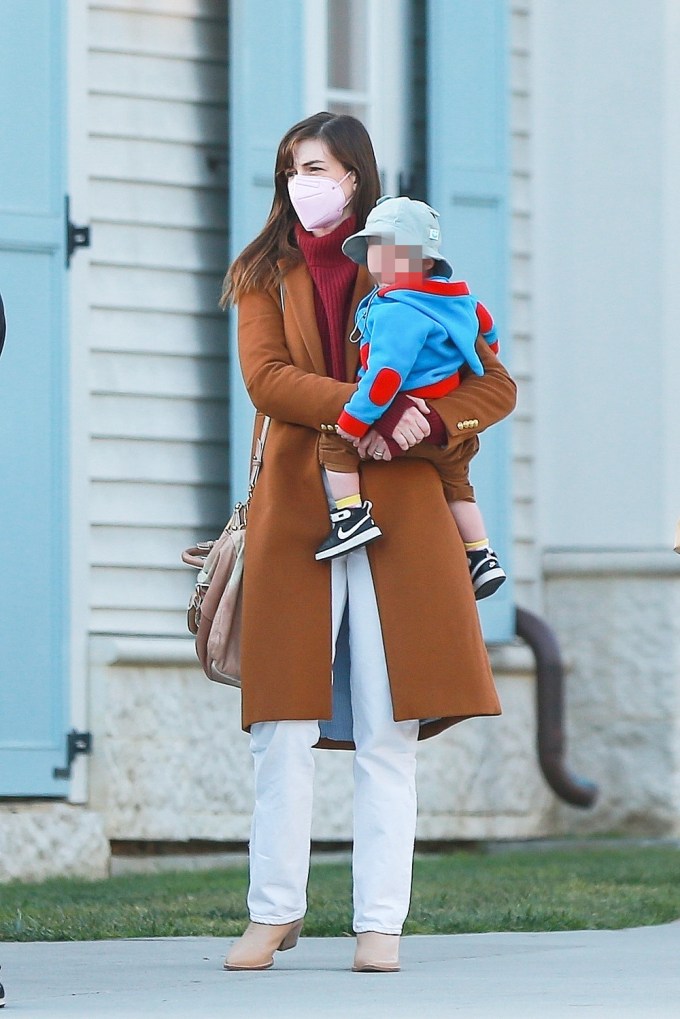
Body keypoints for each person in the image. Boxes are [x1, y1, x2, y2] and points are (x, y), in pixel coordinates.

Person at [220, 111, 516, 973]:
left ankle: (379, 921)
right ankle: (271, 913)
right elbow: (266, 380)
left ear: (356, 175)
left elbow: (490, 383)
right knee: (280, 724)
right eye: (288, 169)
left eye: (314, 166)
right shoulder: (259, 273)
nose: (298, 183)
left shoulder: (409, 263)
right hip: (294, 513)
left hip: (407, 519)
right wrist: (375, 405)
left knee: (390, 726)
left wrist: (430, 420)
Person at [313, 195, 507, 601]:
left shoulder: (396, 310)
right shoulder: (459, 299)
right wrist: (479, 352)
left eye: (392, 252)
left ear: (425, 261)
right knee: (459, 487)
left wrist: (358, 422)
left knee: (335, 442)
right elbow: (488, 331)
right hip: (450, 444)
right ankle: (482, 554)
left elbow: (386, 374)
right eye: (374, 251)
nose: (380, 262)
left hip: (406, 419)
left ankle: (349, 515)